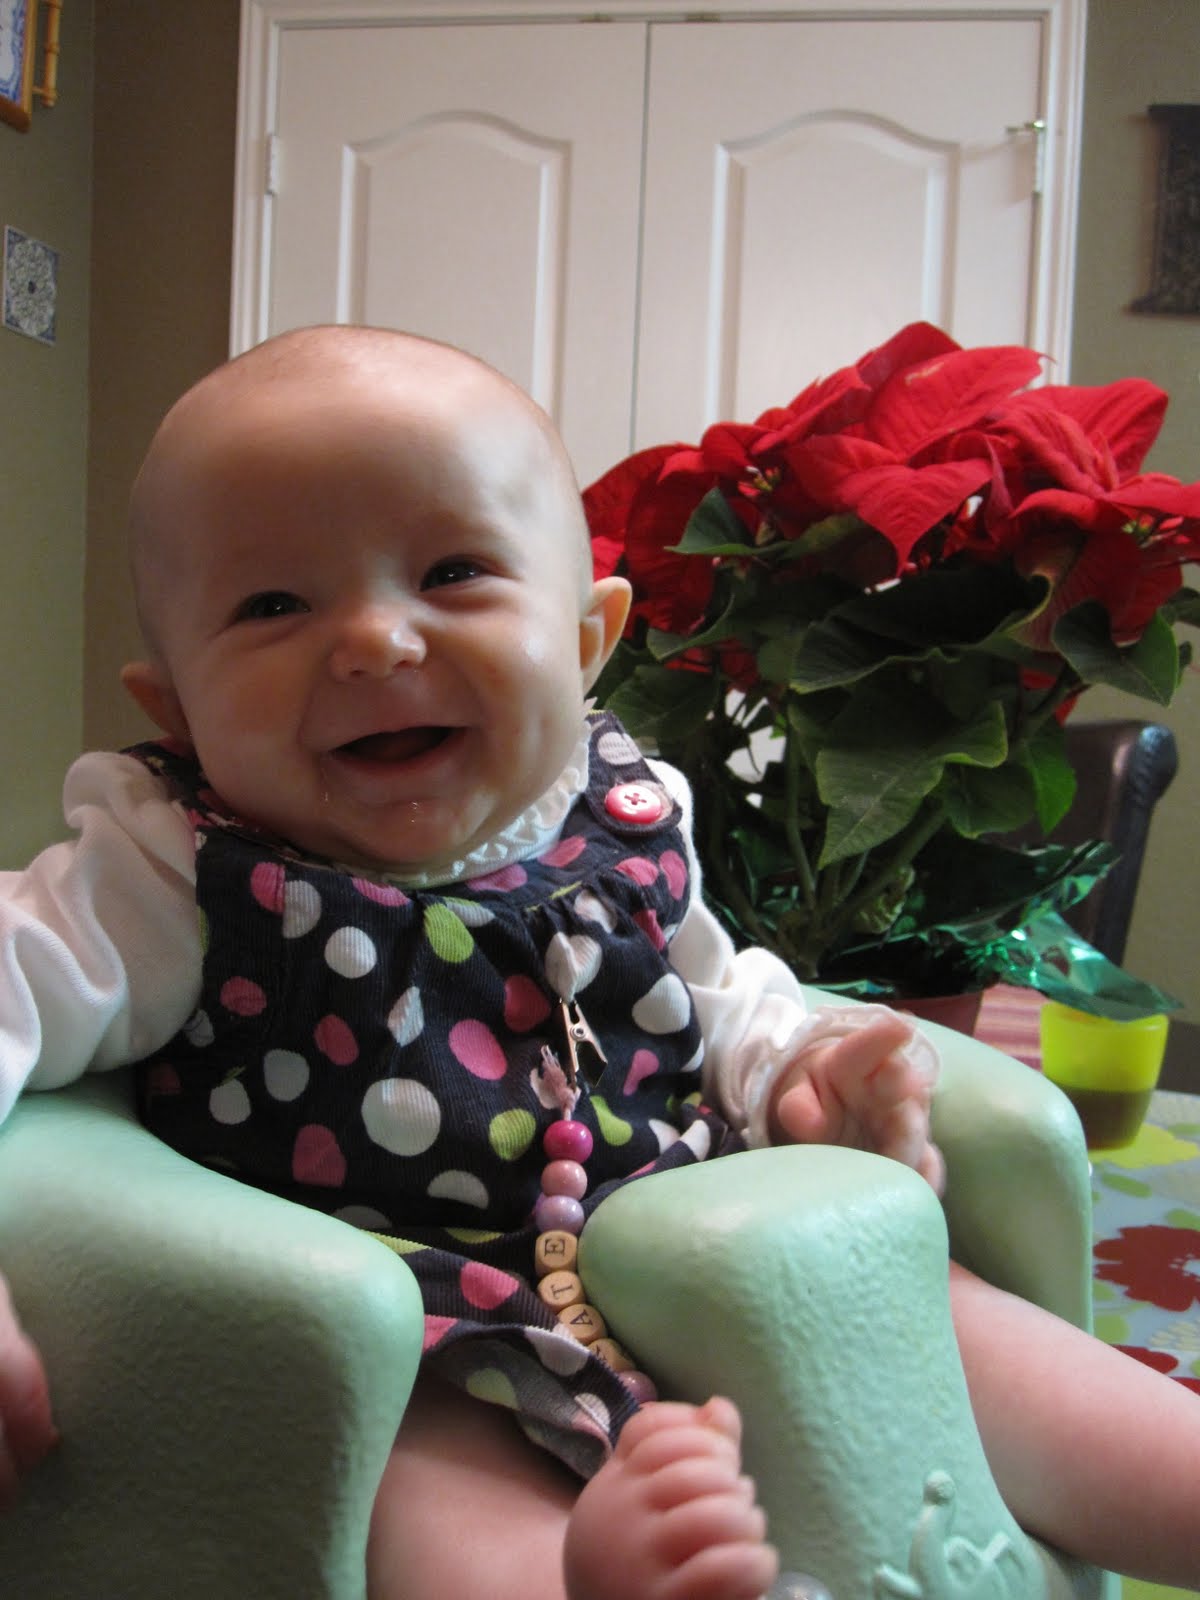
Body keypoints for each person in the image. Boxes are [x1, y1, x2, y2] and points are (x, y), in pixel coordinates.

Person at [0, 326, 1198, 1600]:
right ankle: (594, 1578)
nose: (375, 641)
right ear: (176, 709)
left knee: (947, 1321)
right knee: (408, 1489)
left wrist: (800, 1068)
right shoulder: (171, 870)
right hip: (415, 1321)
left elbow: (719, 988)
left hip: (694, 1237)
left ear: (586, 642)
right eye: (272, 606)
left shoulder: (622, 811)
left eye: (452, 572)